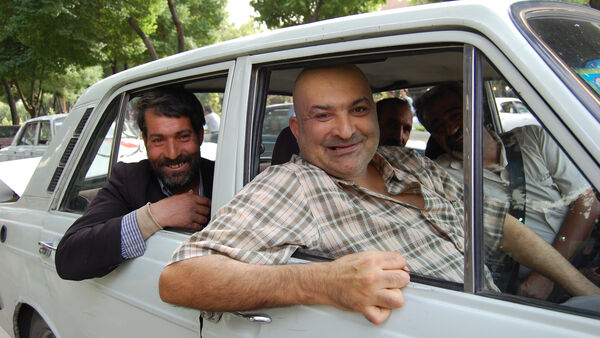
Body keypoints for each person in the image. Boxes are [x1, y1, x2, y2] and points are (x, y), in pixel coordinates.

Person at [159, 65, 599, 325]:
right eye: (322, 115)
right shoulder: (297, 185)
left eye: (358, 109)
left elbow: (497, 224)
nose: (347, 129)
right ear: (297, 130)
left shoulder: (407, 162)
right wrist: (322, 283)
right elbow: (179, 278)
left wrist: (579, 289)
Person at [414, 82, 600, 299]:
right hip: (518, 290)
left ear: (476, 111)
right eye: (437, 126)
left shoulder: (534, 139)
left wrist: (547, 276)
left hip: (583, 261)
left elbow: (587, 203)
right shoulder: (438, 176)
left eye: (455, 116)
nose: (450, 128)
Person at [55, 88, 214, 281]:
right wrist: (152, 217)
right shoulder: (129, 180)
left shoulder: (226, 176)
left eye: (183, 137)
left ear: (200, 136)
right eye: (158, 140)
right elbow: (68, 258)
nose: (172, 153)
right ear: (145, 141)